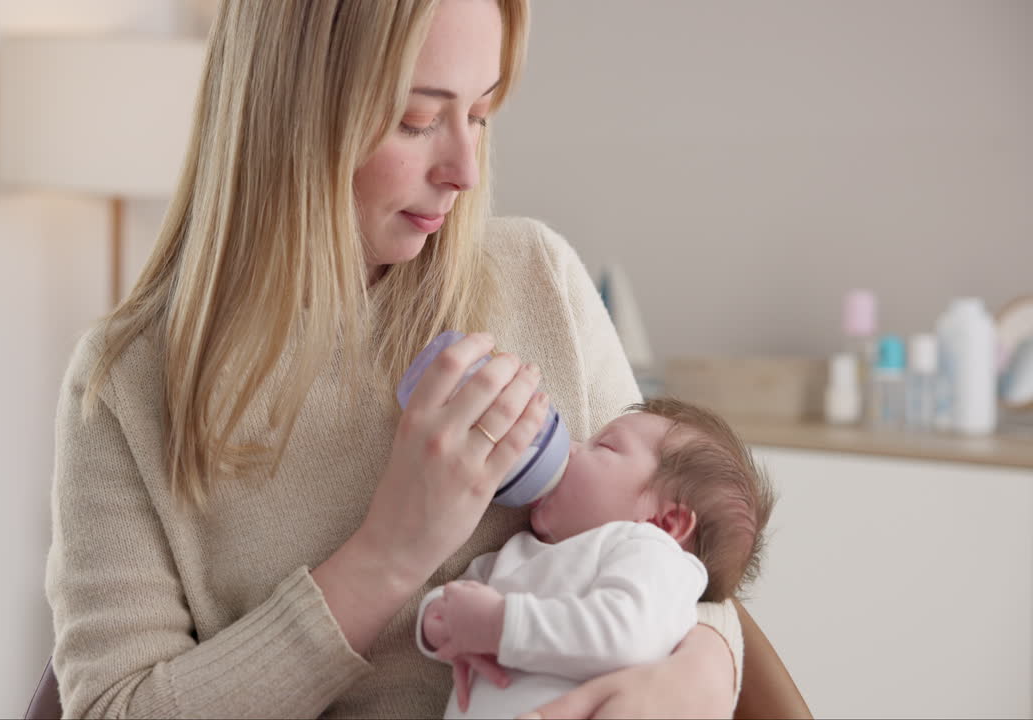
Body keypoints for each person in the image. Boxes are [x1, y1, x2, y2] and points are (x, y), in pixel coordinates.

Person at [46, 0, 749, 717]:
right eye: (418, 120)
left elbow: (681, 560)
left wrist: (701, 673)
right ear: (292, 109)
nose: (465, 170)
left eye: (480, 113)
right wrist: (388, 553)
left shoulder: (540, 278)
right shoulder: (130, 387)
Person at [416, 397, 777, 719]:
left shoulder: (649, 552)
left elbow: (625, 633)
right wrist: (437, 623)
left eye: (603, 445)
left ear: (665, 522)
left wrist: (499, 624)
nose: (570, 449)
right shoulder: (518, 552)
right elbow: (456, 598)